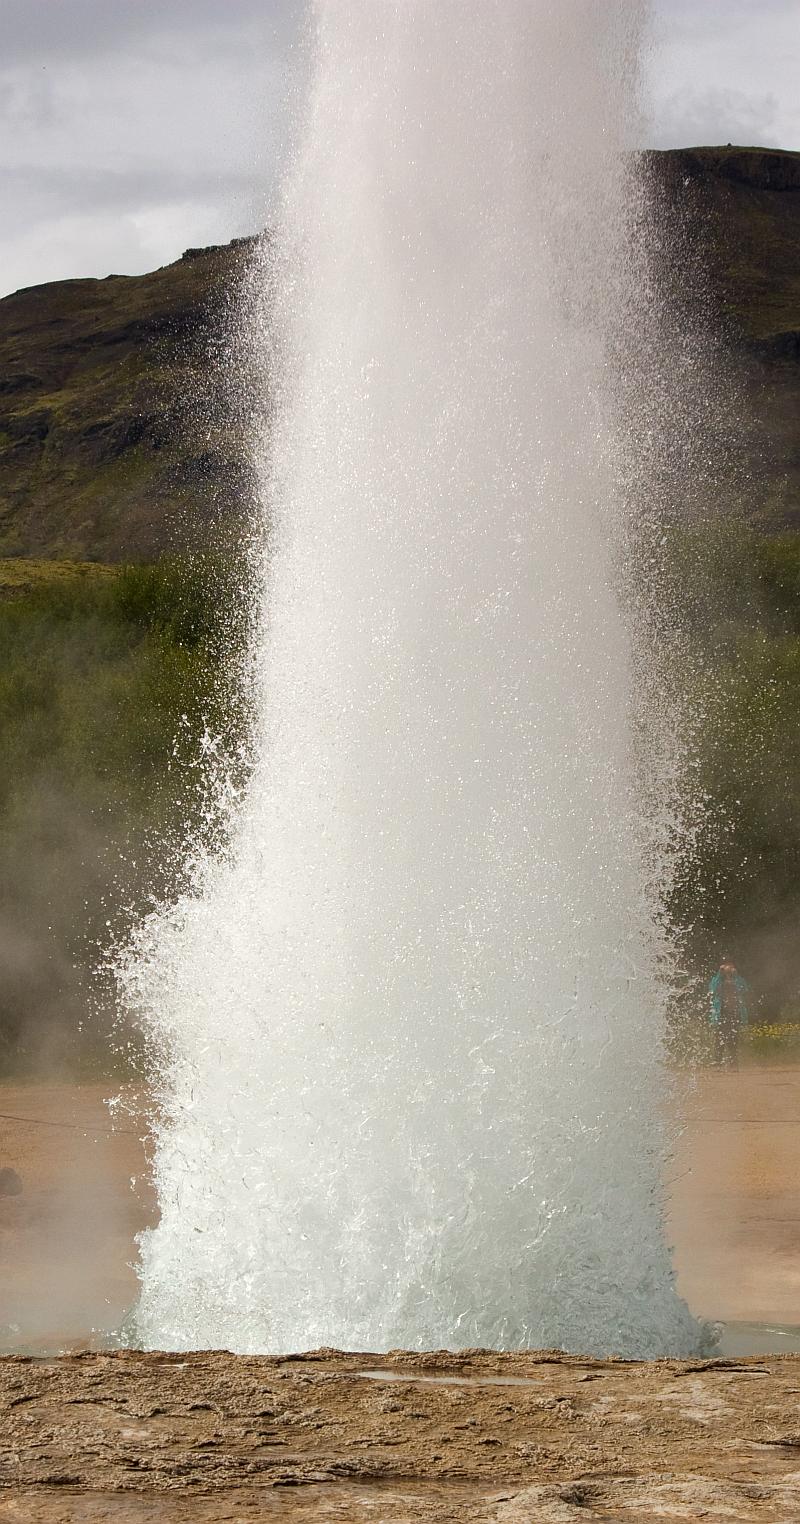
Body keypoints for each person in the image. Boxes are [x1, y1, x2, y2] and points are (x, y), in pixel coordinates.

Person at [708, 959, 749, 1068]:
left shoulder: (738, 979)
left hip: (734, 1012)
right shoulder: (717, 979)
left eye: (730, 965)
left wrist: (736, 975)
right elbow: (713, 989)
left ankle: (733, 1064)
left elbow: (744, 989)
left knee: (733, 1039)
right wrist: (719, 974)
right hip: (720, 1013)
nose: (728, 968)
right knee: (719, 1040)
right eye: (726, 965)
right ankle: (717, 1064)